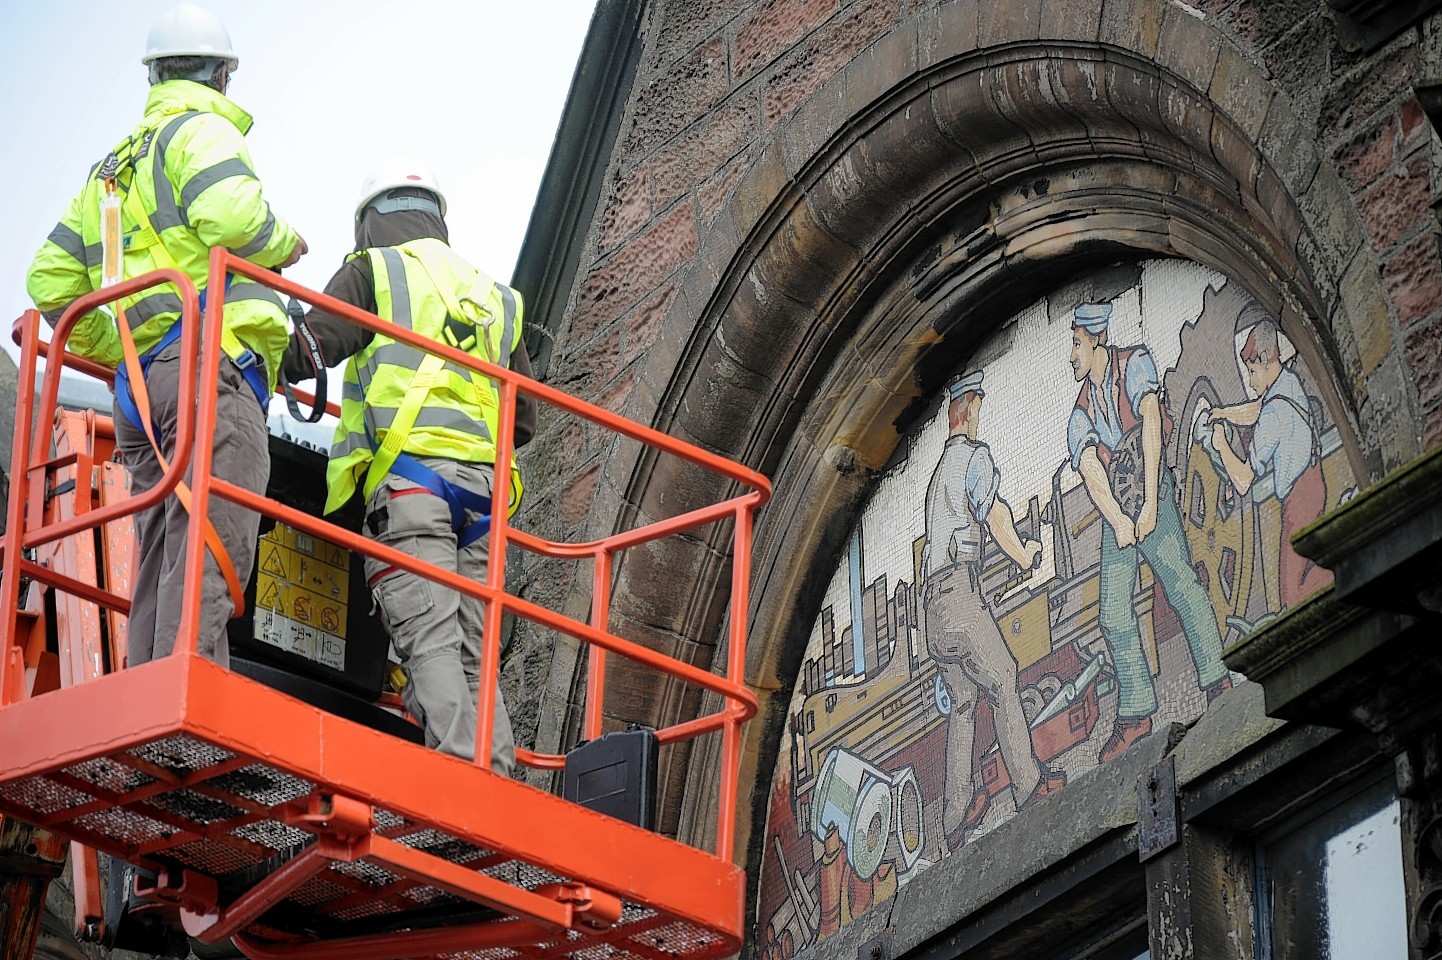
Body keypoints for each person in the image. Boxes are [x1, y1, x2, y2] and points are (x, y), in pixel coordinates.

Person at [26, 2, 306, 668]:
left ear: (154, 75)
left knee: (162, 547)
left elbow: (49, 284)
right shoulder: (201, 131)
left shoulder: (108, 174)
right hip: (209, 372)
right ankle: (190, 696)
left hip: (141, 395)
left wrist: (125, 347)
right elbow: (233, 216)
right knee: (214, 538)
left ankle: (148, 693)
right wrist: (285, 242)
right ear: (221, 77)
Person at [279, 159, 537, 776]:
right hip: (483, 497)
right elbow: (522, 421)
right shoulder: (494, 297)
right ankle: (497, 783)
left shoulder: (375, 271)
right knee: (476, 651)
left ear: (371, 221)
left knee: (430, 642)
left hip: (412, 490)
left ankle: (456, 779)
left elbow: (304, 352)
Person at [1066, 303, 1228, 762]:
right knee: (1113, 612)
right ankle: (1137, 712)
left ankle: (1217, 678)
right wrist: (1120, 522)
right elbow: (1089, 469)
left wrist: (1153, 504)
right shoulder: (1080, 411)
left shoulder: (1133, 363)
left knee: (1179, 582)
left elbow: (1153, 423)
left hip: (1151, 482)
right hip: (1117, 504)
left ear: (1096, 340)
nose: (1071, 356)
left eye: (1075, 345)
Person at [921, 370, 1065, 849]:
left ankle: (954, 817)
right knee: (1003, 677)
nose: (980, 413)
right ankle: (1029, 786)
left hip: (932, 612)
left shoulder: (939, 472)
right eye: (978, 405)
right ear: (968, 409)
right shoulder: (971, 458)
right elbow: (996, 513)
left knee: (963, 703)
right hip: (960, 595)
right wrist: (1026, 554)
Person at [1207, 312, 1329, 609]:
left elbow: (1244, 480)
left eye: (1252, 372)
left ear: (1265, 359)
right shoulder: (1286, 382)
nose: (1249, 381)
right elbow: (1255, 409)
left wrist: (1222, 445)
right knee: (1303, 575)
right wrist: (1223, 413)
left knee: (1292, 596)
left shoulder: (1273, 416)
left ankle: (1349, 566)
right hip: (1314, 483)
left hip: (1299, 502)